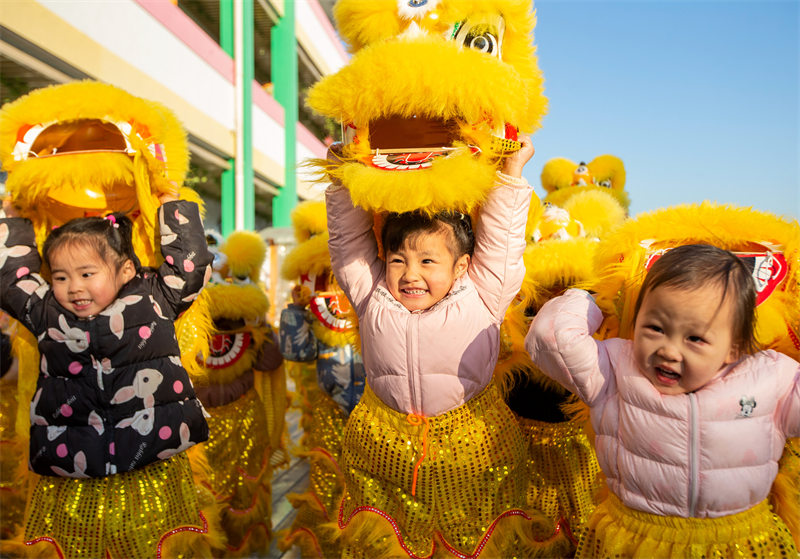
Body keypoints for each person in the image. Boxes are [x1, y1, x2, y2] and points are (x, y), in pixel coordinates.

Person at [325, 137, 566, 558]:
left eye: (427, 261)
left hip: (471, 453)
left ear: (461, 266)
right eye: (398, 260)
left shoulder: (484, 294)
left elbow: (502, 244)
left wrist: (510, 175)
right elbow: (348, 247)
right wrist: (341, 180)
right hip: (385, 450)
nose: (410, 274)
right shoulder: (370, 294)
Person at [525, 243, 800, 558]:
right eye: (655, 328)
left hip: (735, 542)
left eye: (695, 338)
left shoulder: (770, 378)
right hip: (639, 540)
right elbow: (550, 338)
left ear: (734, 348)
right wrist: (589, 296)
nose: (668, 350)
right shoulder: (614, 370)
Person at [0, 194, 214, 558]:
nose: (74, 287)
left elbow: (190, 269)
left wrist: (172, 206)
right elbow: (11, 281)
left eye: (87, 274)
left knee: (155, 544)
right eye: (61, 276)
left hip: (152, 459)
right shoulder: (45, 310)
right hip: (75, 466)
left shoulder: (153, 298)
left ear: (126, 270)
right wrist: (14, 220)